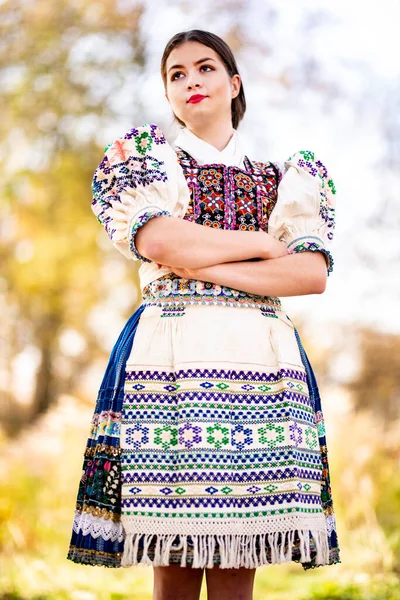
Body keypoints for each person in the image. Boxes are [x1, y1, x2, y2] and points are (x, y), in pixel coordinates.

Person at [67, 29, 341, 600]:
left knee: (241, 544)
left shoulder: (284, 177)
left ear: (233, 82)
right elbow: (161, 241)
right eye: (176, 74)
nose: (192, 80)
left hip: (260, 360)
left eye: (205, 67)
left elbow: (309, 274)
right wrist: (261, 247)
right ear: (168, 95)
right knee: (173, 542)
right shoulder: (147, 162)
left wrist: (205, 263)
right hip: (169, 355)